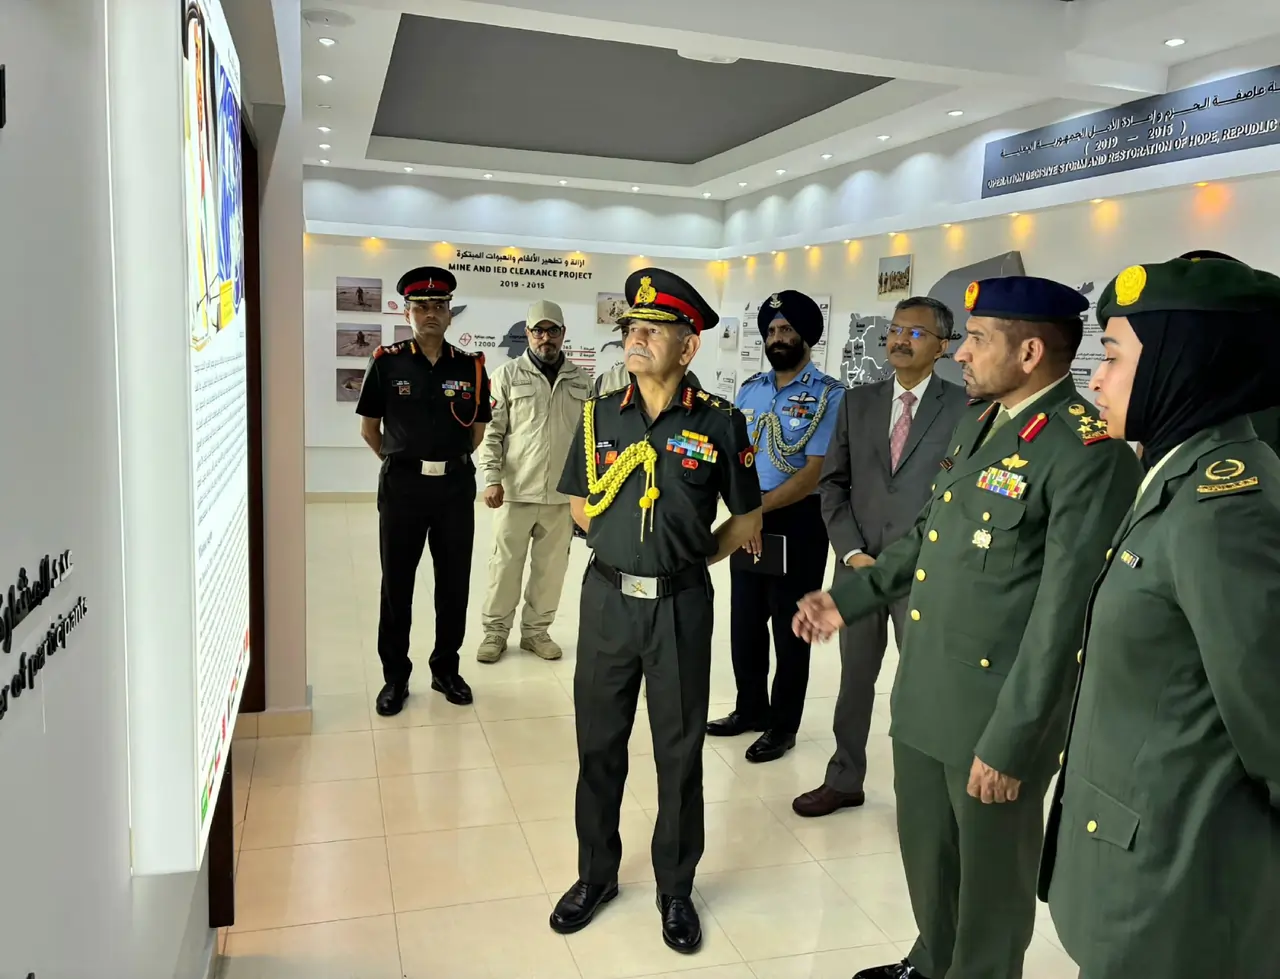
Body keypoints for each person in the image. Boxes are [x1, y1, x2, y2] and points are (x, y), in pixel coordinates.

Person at [792, 275, 1142, 979]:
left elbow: (1064, 614)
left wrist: (1014, 742)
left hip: (994, 719)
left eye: (978, 339)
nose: (960, 354)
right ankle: (932, 959)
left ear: (1030, 351)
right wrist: (849, 599)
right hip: (926, 697)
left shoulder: (1085, 452)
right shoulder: (980, 424)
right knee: (928, 855)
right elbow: (925, 538)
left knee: (988, 888)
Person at [1039, 257, 1280, 979]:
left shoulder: (1224, 508)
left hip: (1183, 883)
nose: (1096, 379)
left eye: (1113, 356)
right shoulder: (1176, 472)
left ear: (1185, 363)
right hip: (1138, 864)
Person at [550, 268, 762, 954]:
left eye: (650, 331)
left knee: (679, 752)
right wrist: (618, 549)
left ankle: (675, 886)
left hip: (680, 608)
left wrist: (695, 556)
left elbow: (747, 514)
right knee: (599, 746)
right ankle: (596, 875)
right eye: (629, 330)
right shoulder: (597, 414)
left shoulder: (721, 420)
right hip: (608, 601)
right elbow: (580, 502)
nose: (634, 341)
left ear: (687, 346)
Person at [793, 296, 967, 817]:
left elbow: (960, 494)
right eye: (894, 329)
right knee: (853, 681)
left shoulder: (965, 408)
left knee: (921, 684)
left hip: (924, 574)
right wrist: (850, 552)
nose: (899, 339)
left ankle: (923, 791)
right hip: (857, 568)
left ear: (942, 346)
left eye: (915, 333)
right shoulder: (858, 401)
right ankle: (845, 777)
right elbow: (833, 485)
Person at [705, 291, 843, 764]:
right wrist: (744, 511)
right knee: (745, 623)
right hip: (750, 515)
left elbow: (815, 472)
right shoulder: (750, 390)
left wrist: (755, 514)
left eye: (786, 330)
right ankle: (750, 709)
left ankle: (783, 726)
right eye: (771, 331)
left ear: (806, 336)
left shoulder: (830, 395)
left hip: (798, 520)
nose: (777, 338)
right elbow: (735, 457)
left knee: (790, 629)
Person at [356, 267, 491, 716]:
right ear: (407, 313)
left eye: (439, 306)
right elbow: (369, 429)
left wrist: (444, 465)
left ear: (450, 314)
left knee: (454, 584)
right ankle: (395, 678)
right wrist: (404, 464)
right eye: (421, 307)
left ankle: (446, 669)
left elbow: (477, 431)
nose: (431, 313)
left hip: (454, 488)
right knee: (398, 584)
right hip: (403, 488)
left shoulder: (470, 366)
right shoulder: (387, 361)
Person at [476, 300, 592, 663]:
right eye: (538, 331)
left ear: (563, 334)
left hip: (562, 497)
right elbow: (492, 433)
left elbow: (589, 439)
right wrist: (492, 478)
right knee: (505, 566)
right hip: (515, 491)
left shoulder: (581, 381)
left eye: (552, 330)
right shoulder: (507, 375)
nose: (546, 338)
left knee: (551, 570)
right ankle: (495, 633)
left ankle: (536, 633)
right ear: (527, 334)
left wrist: (588, 492)